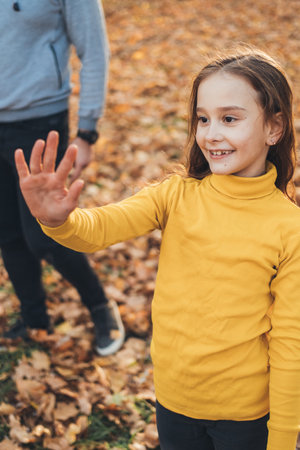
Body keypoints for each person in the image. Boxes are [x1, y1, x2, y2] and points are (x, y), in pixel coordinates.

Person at [14, 47, 300, 450]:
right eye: (203, 119)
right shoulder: (175, 195)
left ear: (274, 128)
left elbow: (291, 346)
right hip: (173, 402)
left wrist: (284, 440)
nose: (211, 133)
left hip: (246, 418)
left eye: (229, 119)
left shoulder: (290, 229)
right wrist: (59, 220)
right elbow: (100, 229)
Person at [0, 0, 125, 356]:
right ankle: (35, 320)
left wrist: (87, 131)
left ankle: (101, 308)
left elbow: (95, 51)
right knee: (7, 231)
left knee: (43, 236)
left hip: (40, 122)